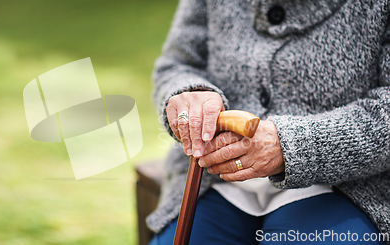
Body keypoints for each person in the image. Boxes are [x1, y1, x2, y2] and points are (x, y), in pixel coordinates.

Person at [147, 0, 390, 244]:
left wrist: (293, 147)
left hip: (345, 187)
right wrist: (187, 95)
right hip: (213, 182)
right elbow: (178, 64)